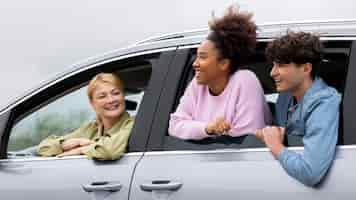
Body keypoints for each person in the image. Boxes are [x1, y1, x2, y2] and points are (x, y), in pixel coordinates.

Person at [168, 5, 271, 140]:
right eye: (197, 57)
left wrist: (196, 130)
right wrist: (208, 128)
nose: (195, 64)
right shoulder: (198, 84)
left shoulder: (245, 80)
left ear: (223, 63)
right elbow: (174, 126)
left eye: (203, 57)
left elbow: (247, 137)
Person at [256, 32, 341, 187]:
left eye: (281, 65)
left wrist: (276, 146)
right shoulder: (284, 98)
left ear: (306, 68)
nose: (272, 72)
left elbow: (311, 172)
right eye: (274, 65)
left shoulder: (324, 103)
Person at [37, 73, 134, 160]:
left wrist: (80, 150)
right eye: (102, 96)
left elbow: (110, 151)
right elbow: (44, 148)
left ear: (123, 96)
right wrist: (71, 143)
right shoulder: (92, 128)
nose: (111, 100)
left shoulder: (134, 124)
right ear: (92, 103)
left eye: (116, 93)